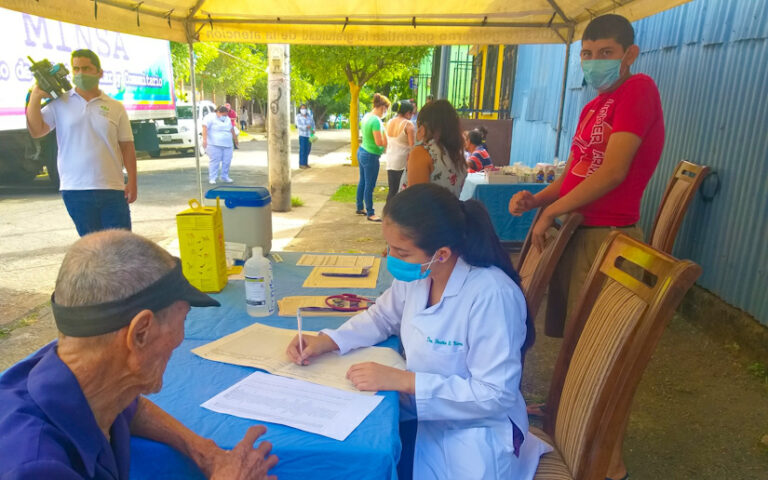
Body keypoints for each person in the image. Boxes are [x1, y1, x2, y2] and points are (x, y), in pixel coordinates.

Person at [286, 183, 550, 479]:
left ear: (442, 253)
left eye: (400, 251)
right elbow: (381, 317)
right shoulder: (422, 274)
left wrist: (405, 381)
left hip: (474, 434)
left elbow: (494, 395)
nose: (390, 258)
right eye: (389, 247)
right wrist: (329, 340)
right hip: (424, 415)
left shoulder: (491, 295)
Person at [509, 15, 664, 480]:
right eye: (588, 54)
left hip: (609, 238)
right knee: (577, 345)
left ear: (629, 53)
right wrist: (539, 198)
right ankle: (570, 426)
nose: (595, 62)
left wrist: (553, 213)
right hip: (579, 231)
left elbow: (613, 171)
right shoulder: (595, 105)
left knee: (606, 356)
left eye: (605, 53)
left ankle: (606, 463)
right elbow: (577, 170)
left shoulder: (638, 90)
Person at [0, 230, 278, 479]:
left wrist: (205, 452)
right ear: (140, 333)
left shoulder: (81, 376)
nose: (182, 339)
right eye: (184, 319)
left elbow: (130, 407)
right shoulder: (35, 466)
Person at [26, 49, 137, 237]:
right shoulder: (60, 103)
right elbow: (37, 131)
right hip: (76, 190)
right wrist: (36, 97)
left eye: (86, 68)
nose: (80, 73)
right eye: (76, 68)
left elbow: (127, 147)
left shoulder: (115, 107)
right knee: (91, 249)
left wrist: (133, 182)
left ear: (99, 73)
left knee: (121, 247)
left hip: (112, 188)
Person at [399, 100, 467, 198]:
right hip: (449, 212)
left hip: (422, 213)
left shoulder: (422, 153)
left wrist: (418, 143)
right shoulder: (457, 155)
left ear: (423, 127)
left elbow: (415, 202)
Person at [356, 93, 390, 222]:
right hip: (371, 155)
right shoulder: (375, 120)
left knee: (363, 182)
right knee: (369, 185)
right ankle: (370, 213)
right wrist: (386, 146)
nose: (385, 112)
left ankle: (360, 207)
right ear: (382, 107)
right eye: (386, 109)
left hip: (362, 151)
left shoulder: (366, 116)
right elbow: (378, 142)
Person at [384, 100, 415, 203]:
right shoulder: (408, 125)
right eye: (411, 113)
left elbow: (386, 142)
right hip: (402, 161)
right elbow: (412, 147)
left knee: (392, 189)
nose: (412, 115)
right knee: (401, 191)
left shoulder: (389, 122)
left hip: (390, 159)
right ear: (407, 113)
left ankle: (387, 213)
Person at [203, 105, 238, 184]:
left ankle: (224, 176)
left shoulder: (227, 119)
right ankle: (212, 177)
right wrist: (204, 140)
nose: (225, 117)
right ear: (218, 112)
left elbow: (231, 129)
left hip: (228, 144)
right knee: (215, 161)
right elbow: (204, 127)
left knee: (227, 161)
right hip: (214, 144)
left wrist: (235, 139)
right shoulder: (210, 117)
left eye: (226, 115)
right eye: (223, 115)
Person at [296, 103, 315, 169]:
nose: (303, 110)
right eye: (302, 108)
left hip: (309, 135)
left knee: (308, 149)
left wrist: (313, 130)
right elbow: (299, 126)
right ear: (300, 109)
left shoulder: (309, 116)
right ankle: (302, 164)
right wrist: (306, 127)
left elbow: (313, 124)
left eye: (304, 108)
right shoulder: (298, 116)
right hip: (302, 135)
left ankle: (306, 163)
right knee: (302, 149)